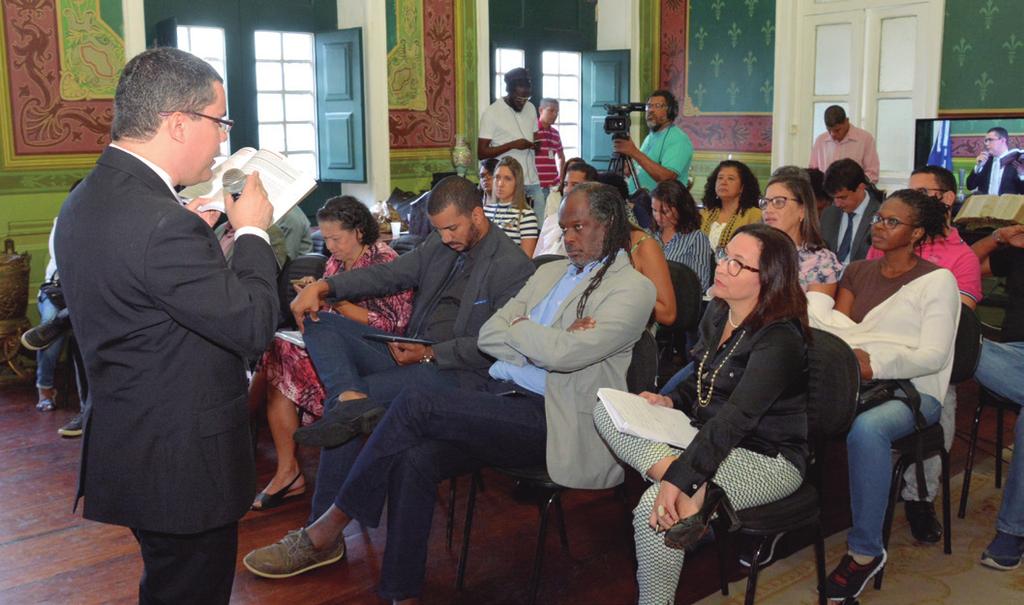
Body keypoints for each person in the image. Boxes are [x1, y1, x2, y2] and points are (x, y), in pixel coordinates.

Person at [243, 183, 655, 600]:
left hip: (552, 414)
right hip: (500, 392)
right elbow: (495, 333)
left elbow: (561, 355)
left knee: (413, 402)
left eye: (579, 227)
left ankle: (328, 527)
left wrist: (523, 330)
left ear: (609, 223)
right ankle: (400, 592)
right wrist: (535, 336)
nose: (568, 238)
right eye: (564, 228)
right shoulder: (550, 272)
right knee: (412, 456)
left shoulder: (634, 289)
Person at [54, 48, 280, 604]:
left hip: (134, 439)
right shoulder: (159, 223)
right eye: (220, 120)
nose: (224, 139)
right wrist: (251, 232)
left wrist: (200, 237)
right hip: (182, 462)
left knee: (168, 586)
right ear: (180, 122)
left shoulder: (88, 197)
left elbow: (145, 295)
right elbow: (253, 326)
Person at [594, 223, 810, 604]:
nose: (722, 266)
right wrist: (672, 401)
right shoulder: (719, 312)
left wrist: (680, 480)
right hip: (704, 435)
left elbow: (736, 419)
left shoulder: (780, 340)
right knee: (605, 409)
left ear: (769, 279)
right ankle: (694, 486)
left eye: (738, 264)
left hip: (766, 458)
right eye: (725, 256)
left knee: (659, 506)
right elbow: (699, 373)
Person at [284, 175, 534, 451]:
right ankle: (348, 395)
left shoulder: (511, 265)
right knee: (321, 322)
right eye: (439, 230)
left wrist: (431, 353)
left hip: (454, 370)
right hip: (411, 351)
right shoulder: (440, 244)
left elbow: (497, 345)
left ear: (477, 215)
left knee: (345, 415)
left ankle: (349, 409)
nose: (445, 238)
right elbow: (389, 274)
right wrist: (324, 287)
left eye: (452, 228)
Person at [809, 190, 959, 601]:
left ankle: (864, 552)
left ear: (917, 233)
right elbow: (846, 331)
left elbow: (932, 356)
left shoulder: (937, 280)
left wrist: (874, 365)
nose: (878, 225)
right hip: (861, 380)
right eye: (879, 218)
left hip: (915, 392)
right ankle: (769, 520)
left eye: (892, 222)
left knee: (867, 430)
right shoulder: (857, 271)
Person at [250, 197, 413, 511]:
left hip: (378, 351)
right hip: (337, 345)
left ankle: (276, 456)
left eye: (336, 238)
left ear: (359, 232)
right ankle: (288, 469)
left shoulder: (384, 260)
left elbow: (394, 326)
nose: (330, 246)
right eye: (325, 238)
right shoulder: (336, 263)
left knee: (282, 358)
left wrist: (333, 302)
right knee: (279, 351)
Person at [859, 166, 983, 541]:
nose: (910, 200)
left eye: (921, 193)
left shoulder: (961, 259)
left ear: (945, 199)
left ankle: (919, 497)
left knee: (940, 397)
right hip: (878, 350)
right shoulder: (884, 243)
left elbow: (953, 331)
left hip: (928, 362)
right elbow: (865, 306)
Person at [971, 223, 1024, 569]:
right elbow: (962, 268)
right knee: (958, 343)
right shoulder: (1018, 252)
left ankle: (1012, 531)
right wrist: (998, 239)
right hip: (1013, 356)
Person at [760, 174, 843, 297]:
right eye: (765, 203)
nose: (768, 209)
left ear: (802, 210)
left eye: (778, 202)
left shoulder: (821, 261)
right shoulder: (752, 250)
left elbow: (815, 315)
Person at [478, 67, 545, 216]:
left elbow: (535, 137)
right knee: (512, 229)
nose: (523, 102)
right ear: (509, 91)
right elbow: (481, 152)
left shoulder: (531, 108)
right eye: (519, 98)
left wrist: (536, 144)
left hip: (532, 180)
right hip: (508, 182)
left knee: (539, 227)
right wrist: (513, 145)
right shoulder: (492, 112)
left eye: (526, 98)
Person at [613, 89, 694, 195]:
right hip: (638, 203)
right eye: (649, 106)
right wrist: (628, 169)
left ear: (670, 111)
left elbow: (667, 179)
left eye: (657, 106)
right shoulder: (650, 137)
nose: (651, 110)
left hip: (661, 207)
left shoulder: (679, 139)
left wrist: (634, 152)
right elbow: (642, 168)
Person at [650, 179, 714, 292]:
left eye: (665, 212)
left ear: (681, 208)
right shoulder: (649, 236)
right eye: (654, 210)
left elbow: (700, 284)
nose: (658, 217)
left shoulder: (696, 238)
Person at [820, 158, 881, 264]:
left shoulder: (880, 215)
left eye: (842, 198)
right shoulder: (828, 214)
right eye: (834, 198)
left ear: (860, 188)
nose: (837, 204)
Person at [534, 159, 598, 257]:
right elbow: (535, 257)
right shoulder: (551, 221)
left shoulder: (594, 225)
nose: (567, 190)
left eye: (574, 185)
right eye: (565, 184)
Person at [699, 160, 763, 250]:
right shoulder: (704, 213)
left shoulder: (755, 215)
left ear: (742, 187)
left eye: (730, 178)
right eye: (720, 178)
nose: (723, 182)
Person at [808, 105, 880, 183]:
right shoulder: (820, 140)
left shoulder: (865, 139)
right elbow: (813, 171)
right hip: (825, 192)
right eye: (829, 130)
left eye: (837, 130)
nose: (833, 134)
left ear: (846, 121)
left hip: (854, 192)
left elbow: (872, 173)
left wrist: (855, 186)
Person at [487, 156, 540, 256]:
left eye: (507, 179)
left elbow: (526, 260)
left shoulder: (526, 215)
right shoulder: (485, 211)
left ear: (517, 183)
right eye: (497, 177)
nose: (500, 184)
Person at [965, 127, 1024, 195]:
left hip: (1008, 204)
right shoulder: (985, 162)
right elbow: (970, 186)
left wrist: (1022, 175)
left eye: (990, 140)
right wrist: (978, 167)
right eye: (986, 141)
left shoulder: (1016, 161)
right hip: (985, 204)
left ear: (1002, 140)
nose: (986, 143)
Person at [535, 98, 565, 202]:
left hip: (553, 185)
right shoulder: (532, 131)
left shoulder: (555, 133)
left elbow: (561, 156)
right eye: (551, 110)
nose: (555, 114)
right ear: (541, 110)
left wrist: (561, 177)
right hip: (536, 185)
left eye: (557, 112)